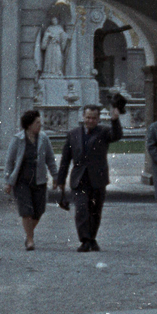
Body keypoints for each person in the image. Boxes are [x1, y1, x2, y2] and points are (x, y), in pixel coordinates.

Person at [55, 101, 123, 252]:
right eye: (88, 117)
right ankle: (85, 240)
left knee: (95, 211)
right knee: (81, 209)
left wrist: (115, 119)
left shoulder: (104, 132)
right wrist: (60, 180)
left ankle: (92, 238)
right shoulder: (73, 134)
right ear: (83, 117)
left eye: (93, 118)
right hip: (79, 179)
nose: (90, 121)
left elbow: (117, 135)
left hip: (98, 179)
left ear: (98, 119)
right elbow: (65, 159)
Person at [3, 109, 59, 251]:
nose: (40, 125)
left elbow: (50, 159)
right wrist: (8, 181)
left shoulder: (44, 139)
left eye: (40, 122)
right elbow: (9, 162)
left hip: (39, 180)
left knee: (39, 211)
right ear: (29, 125)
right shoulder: (18, 139)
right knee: (26, 210)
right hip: (22, 181)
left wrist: (55, 177)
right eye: (37, 123)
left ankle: (29, 233)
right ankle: (30, 239)